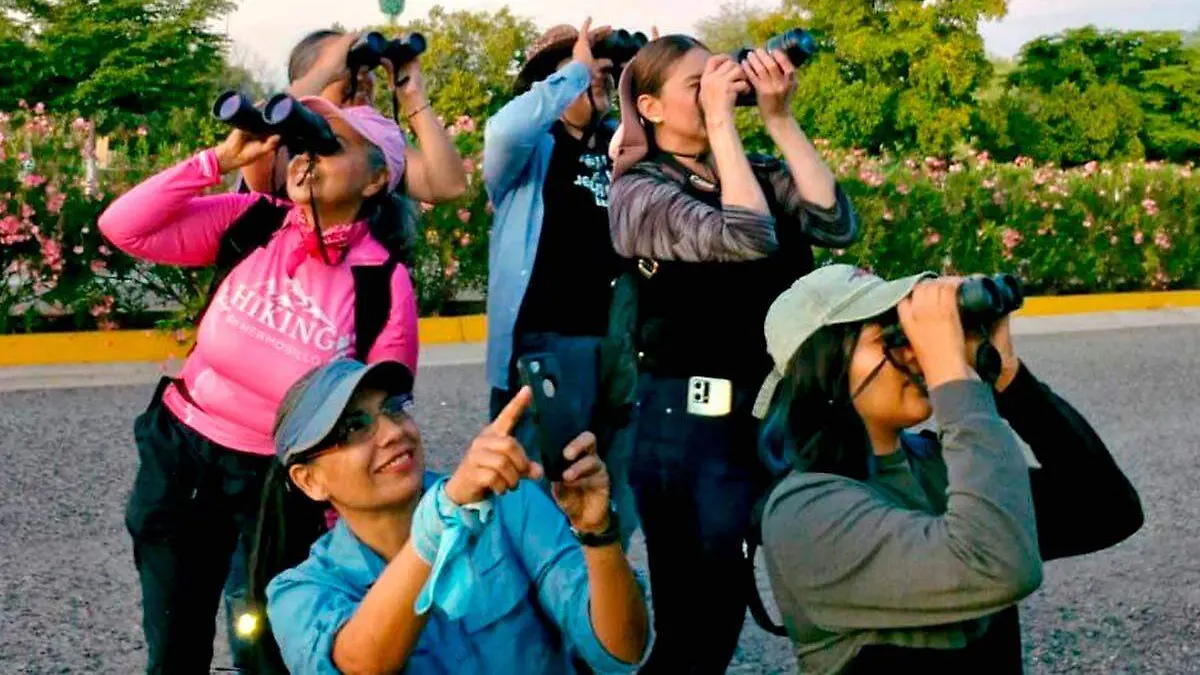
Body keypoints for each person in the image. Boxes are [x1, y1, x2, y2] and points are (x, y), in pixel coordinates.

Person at [99, 99, 424, 674]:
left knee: (266, 650)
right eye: (306, 144)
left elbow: (375, 416)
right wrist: (219, 159)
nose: (307, 158)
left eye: (331, 146)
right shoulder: (254, 222)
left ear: (377, 178)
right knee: (172, 644)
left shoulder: (381, 283)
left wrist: (343, 511)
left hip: (279, 484)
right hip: (183, 457)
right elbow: (122, 226)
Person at [605, 34, 857, 672]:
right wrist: (723, 123)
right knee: (701, 624)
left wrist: (778, 118)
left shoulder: (754, 170)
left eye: (719, 78)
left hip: (778, 413)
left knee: (831, 582)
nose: (718, 90)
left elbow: (836, 226)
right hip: (687, 433)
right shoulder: (639, 192)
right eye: (697, 85)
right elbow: (746, 238)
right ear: (651, 108)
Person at [755, 265, 1145, 674]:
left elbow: (1108, 510)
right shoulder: (805, 512)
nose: (916, 354)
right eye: (891, 339)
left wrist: (1009, 377)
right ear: (824, 364)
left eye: (911, 338)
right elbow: (998, 565)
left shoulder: (937, 464)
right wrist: (952, 378)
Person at [257, 358, 651, 673]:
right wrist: (442, 520)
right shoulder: (298, 594)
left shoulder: (508, 502)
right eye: (353, 427)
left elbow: (620, 652)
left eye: (394, 409)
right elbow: (362, 664)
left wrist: (598, 534)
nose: (392, 432)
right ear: (309, 481)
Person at [483, 19, 639, 544]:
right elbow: (503, 129)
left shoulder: (615, 144)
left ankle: (596, 588)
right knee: (538, 488)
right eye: (584, 70)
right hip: (547, 340)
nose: (597, 78)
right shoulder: (529, 152)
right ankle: (531, 593)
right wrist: (572, 72)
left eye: (602, 73)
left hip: (613, 342)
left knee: (606, 481)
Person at [241, 28, 467, 205]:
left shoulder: (376, 143)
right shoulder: (285, 143)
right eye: (346, 67)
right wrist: (326, 70)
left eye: (366, 68)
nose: (361, 77)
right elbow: (255, 136)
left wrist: (413, 96)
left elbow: (448, 186)